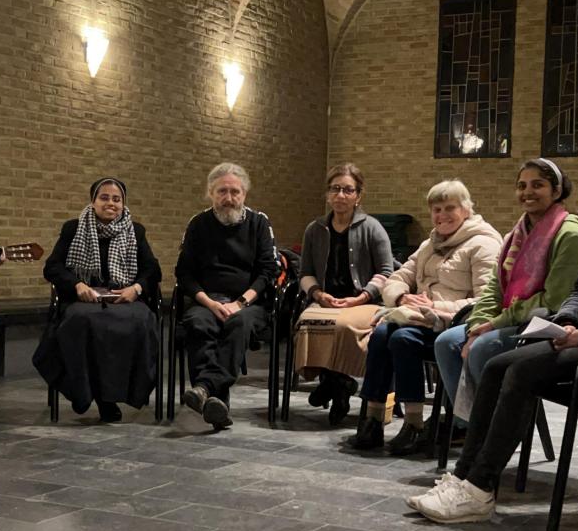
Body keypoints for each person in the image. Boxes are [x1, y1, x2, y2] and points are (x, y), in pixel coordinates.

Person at [407, 144, 578, 524]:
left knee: (519, 371)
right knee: (499, 365)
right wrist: (568, 320)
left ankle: (480, 486)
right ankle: (464, 477)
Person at [432, 158, 578, 430]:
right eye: (521, 185)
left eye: (537, 185)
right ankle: (468, 429)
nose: (527, 192)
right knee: (447, 342)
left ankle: (498, 433)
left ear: (557, 191)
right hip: (511, 320)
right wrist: (474, 326)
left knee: (485, 347)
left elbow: (555, 300)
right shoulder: (516, 233)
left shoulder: (570, 234)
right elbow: (495, 288)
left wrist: (493, 325)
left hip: (547, 325)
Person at [352, 180, 502, 450]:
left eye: (449, 208)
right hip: (418, 316)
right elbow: (397, 276)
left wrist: (436, 308)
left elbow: (485, 301)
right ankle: (373, 419)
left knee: (402, 340)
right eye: (436, 209)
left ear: (466, 210)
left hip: (453, 325)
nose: (441, 215)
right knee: (381, 334)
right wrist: (401, 297)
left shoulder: (484, 244)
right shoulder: (429, 243)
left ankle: (414, 423)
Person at [35, 178, 161, 422]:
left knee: (140, 322)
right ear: (93, 201)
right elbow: (52, 267)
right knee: (80, 321)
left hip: (123, 298)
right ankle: (83, 394)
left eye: (117, 199)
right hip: (85, 300)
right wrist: (77, 284)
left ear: (124, 204)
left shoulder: (136, 231)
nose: (111, 203)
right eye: (104, 198)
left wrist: (136, 288)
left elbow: (153, 270)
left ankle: (112, 397)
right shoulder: (74, 228)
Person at [176, 163, 277, 430]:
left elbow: (268, 271)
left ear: (244, 194)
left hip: (248, 302)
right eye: (222, 191)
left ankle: (204, 388)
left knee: (238, 323)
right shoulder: (198, 225)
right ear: (210, 193)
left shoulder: (259, 224)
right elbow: (184, 273)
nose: (229, 198)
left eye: (235, 192)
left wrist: (239, 303)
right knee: (199, 324)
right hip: (206, 301)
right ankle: (216, 404)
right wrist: (209, 302)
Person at [294, 163, 393, 425]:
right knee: (307, 323)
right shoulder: (314, 229)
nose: (341, 195)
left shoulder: (373, 228)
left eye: (348, 190)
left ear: (358, 196)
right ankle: (341, 383)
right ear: (327, 194)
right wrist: (317, 294)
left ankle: (334, 383)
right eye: (335, 189)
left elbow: (387, 271)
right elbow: (304, 272)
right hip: (325, 300)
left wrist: (362, 296)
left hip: (364, 301)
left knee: (342, 324)